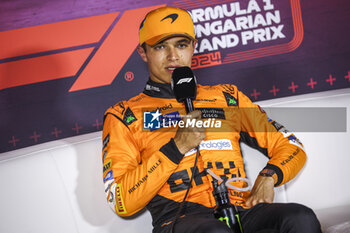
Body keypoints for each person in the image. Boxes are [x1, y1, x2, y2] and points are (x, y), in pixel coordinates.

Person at [102, 6, 322, 233]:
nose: (173, 56)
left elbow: (290, 145)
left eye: (181, 44)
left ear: (193, 47)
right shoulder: (123, 115)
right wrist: (176, 147)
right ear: (143, 52)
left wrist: (269, 176)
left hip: (240, 210)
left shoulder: (226, 98)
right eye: (160, 46)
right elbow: (120, 201)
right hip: (179, 221)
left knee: (300, 217)